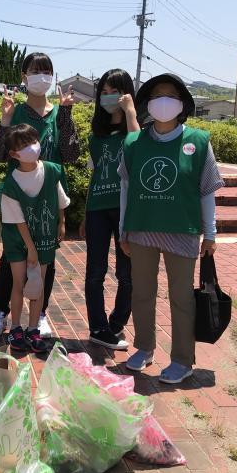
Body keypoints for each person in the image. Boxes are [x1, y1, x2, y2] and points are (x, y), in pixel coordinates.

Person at [119, 73, 224, 384]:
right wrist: (124, 228)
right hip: (142, 228)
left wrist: (211, 233)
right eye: (157, 94)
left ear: (182, 104)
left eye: (171, 94)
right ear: (148, 104)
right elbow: (126, 188)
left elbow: (206, 190)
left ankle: (182, 359)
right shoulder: (133, 142)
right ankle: (145, 348)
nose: (163, 100)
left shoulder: (198, 141)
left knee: (181, 297)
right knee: (142, 292)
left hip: (183, 229)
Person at [0, 52, 80, 339]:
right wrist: (4, 120)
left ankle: (39, 315)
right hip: (19, 197)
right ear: (24, 77)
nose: (42, 77)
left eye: (47, 71)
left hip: (48, 198)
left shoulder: (58, 112)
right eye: (35, 71)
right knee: (12, 256)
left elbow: (71, 154)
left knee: (46, 257)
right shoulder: (17, 112)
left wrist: (66, 113)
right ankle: (1, 312)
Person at [80, 69, 139, 350]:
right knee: (95, 271)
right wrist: (84, 214)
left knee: (127, 273)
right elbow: (95, 176)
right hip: (98, 210)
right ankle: (98, 327)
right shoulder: (96, 135)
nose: (108, 97)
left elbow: (138, 152)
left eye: (114, 91)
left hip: (126, 210)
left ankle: (116, 323)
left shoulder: (137, 130)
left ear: (126, 93)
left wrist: (130, 113)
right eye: (103, 92)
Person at [0, 125, 70, 353]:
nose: (31, 148)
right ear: (13, 154)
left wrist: (61, 222)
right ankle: (16, 328)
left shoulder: (51, 170)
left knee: (37, 285)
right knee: (19, 283)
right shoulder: (11, 183)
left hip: (45, 236)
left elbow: (60, 200)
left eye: (32, 141)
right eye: (22, 146)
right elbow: (19, 221)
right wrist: (31, 249)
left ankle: (33, 329)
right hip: (18, 239)